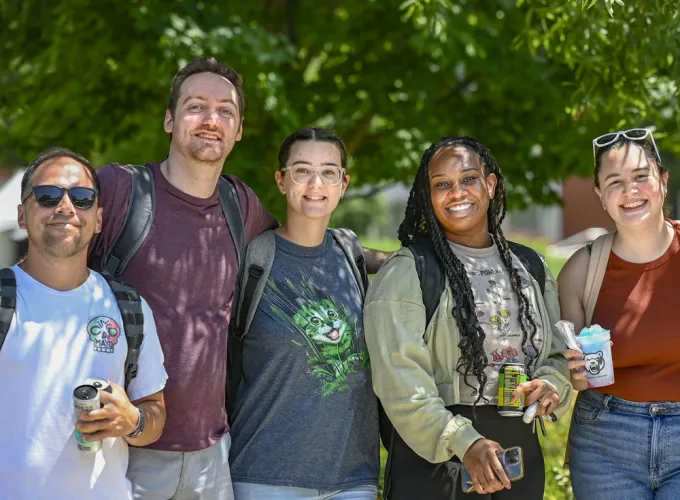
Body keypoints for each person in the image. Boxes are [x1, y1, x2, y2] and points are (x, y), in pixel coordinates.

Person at [88, 57, 389, 499]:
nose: (211, 120)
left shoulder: (238, 206)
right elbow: (54, 237)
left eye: (225, 111)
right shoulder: (120, 191)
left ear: (239, 129)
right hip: (124, 445)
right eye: (196, 107)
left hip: (212, 456)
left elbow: (307, 237)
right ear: (170, 118)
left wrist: (405, 261)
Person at [364, 136, 573, 499]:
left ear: (490, 184)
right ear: (428, 197)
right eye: (441, 184)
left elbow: (557, 355)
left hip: (519, 455)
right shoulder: (408, 272)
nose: (457, 192)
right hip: (437, 459)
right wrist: (464, 442)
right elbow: (399, 383)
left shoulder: (533, 267)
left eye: (469, 179)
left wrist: (551, 384)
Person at [0, 148, 167, 499]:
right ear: (21, 215)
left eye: (82, 198)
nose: (65, 208)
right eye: (47, 196)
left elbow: (154, 412)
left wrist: (132, 421)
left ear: (99, 218)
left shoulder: (128, 307)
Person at [227, 127, 379, 499]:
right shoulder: (251, 260)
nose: (316, 182)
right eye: (301, 170)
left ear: (344, 184)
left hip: (353, 479)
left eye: (329, 171)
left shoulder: (350, 255)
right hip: (264, 475)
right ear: (281, 180)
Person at [559, 128, 680, 499]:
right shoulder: (581, 270)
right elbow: (577, 381)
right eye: (615, 182)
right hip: (604, 443)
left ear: (662, 180)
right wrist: (575, 371)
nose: (630, 191)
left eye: (641, 177)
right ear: (600, 195)